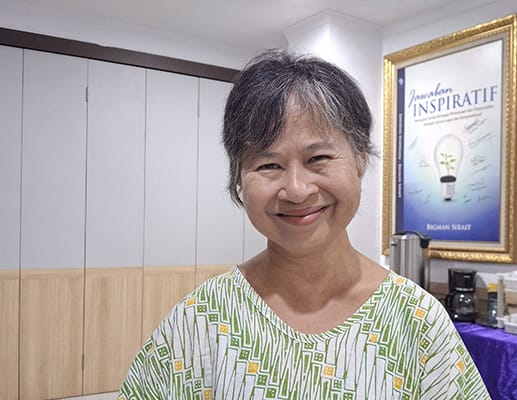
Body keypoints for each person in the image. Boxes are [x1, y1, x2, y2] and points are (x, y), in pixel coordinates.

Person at [118, 49, 490, 399]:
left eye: (318, 158)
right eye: (268, 165)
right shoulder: (200, 321)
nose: (296, 190)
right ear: (238, 179)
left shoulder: (417, 321)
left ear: (360, 160)